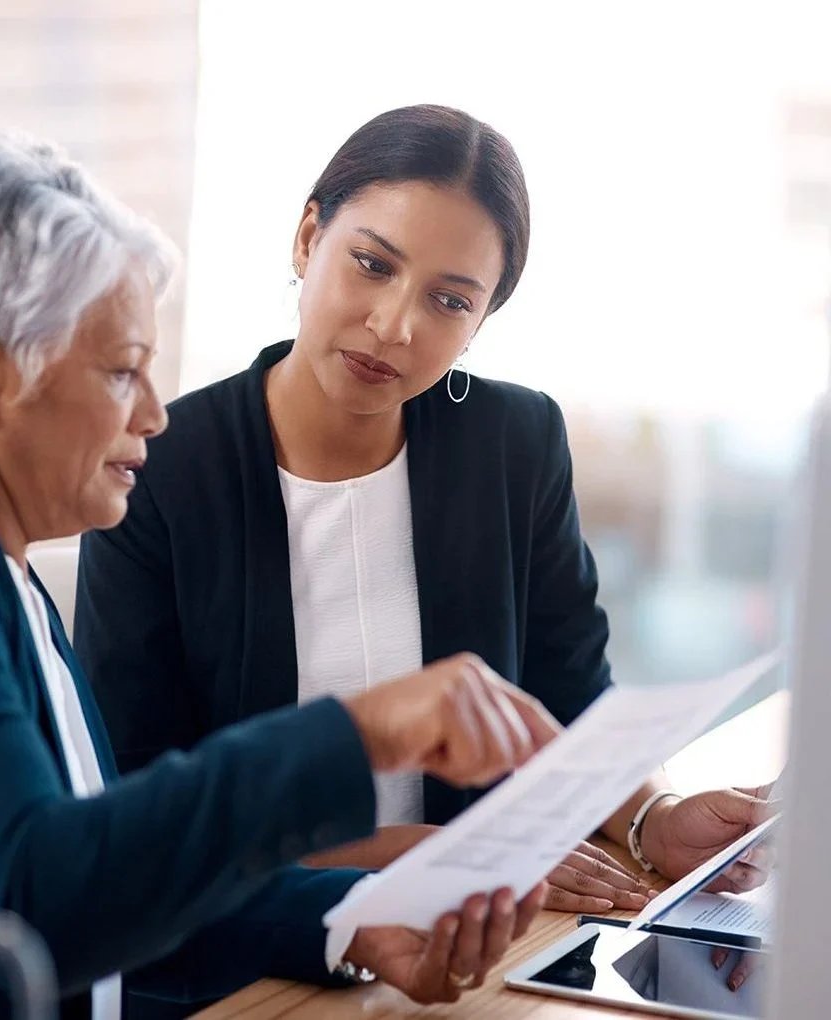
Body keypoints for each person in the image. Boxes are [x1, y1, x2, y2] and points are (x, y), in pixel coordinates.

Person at [0, 132, 559, 1020]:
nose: (155, 415)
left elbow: (101, 876)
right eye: (123, 372)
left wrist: (349, 917)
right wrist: (357, 734)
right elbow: (28, 900)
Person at [75, 102, 775, 962]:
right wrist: (428, 865)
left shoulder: (514, 443)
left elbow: (571, 692)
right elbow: (140, 811)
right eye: (372, 264)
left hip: (477, 945)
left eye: (449, 300)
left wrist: (652, 818)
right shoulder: (157, 468)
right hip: (244, 959)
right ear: (306, 240)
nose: (396, 325)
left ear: (481, 322)